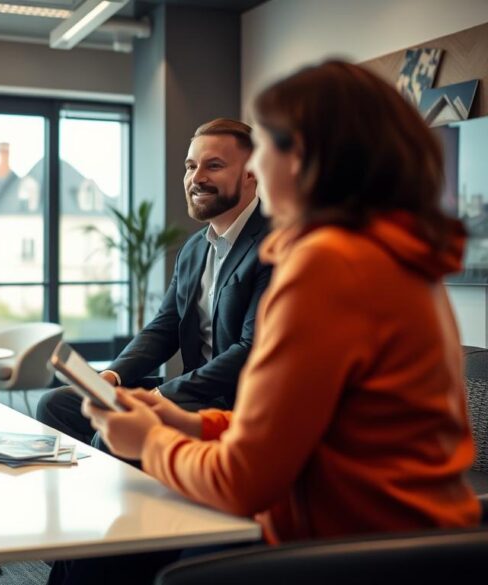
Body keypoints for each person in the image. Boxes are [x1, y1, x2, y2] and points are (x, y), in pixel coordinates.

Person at [60, 60, 481, 585]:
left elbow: (243, 481)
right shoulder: (394, 256)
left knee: (115, 550)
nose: (256, 164)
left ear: (306, 159)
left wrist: (148, 441)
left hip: (350, 553)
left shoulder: (327, 266)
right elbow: (301, 427)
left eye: (266, 148)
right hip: (404, 541)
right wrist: (187, 423)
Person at [38, 118, 273, 445]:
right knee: (56, 405)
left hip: (232, 403)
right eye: (190, 166)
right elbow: (164, 327)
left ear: (251, 173)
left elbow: (249, 352)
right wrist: (111, 377)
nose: (197, 178)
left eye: (213, 166)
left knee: (109, 436)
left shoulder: (272, 246)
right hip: (188, 394)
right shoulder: (193, 249)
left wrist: (160, 396)